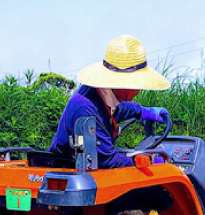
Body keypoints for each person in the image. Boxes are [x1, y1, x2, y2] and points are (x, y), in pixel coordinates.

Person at [49, 35, 170, 168]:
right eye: (137, 83)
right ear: (122, 82)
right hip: (66, 170)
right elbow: (109, 161)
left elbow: (118, 110)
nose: (140, 89)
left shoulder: (98, 95)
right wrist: (150, 163)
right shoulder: (86, 109)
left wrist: (145, 112)